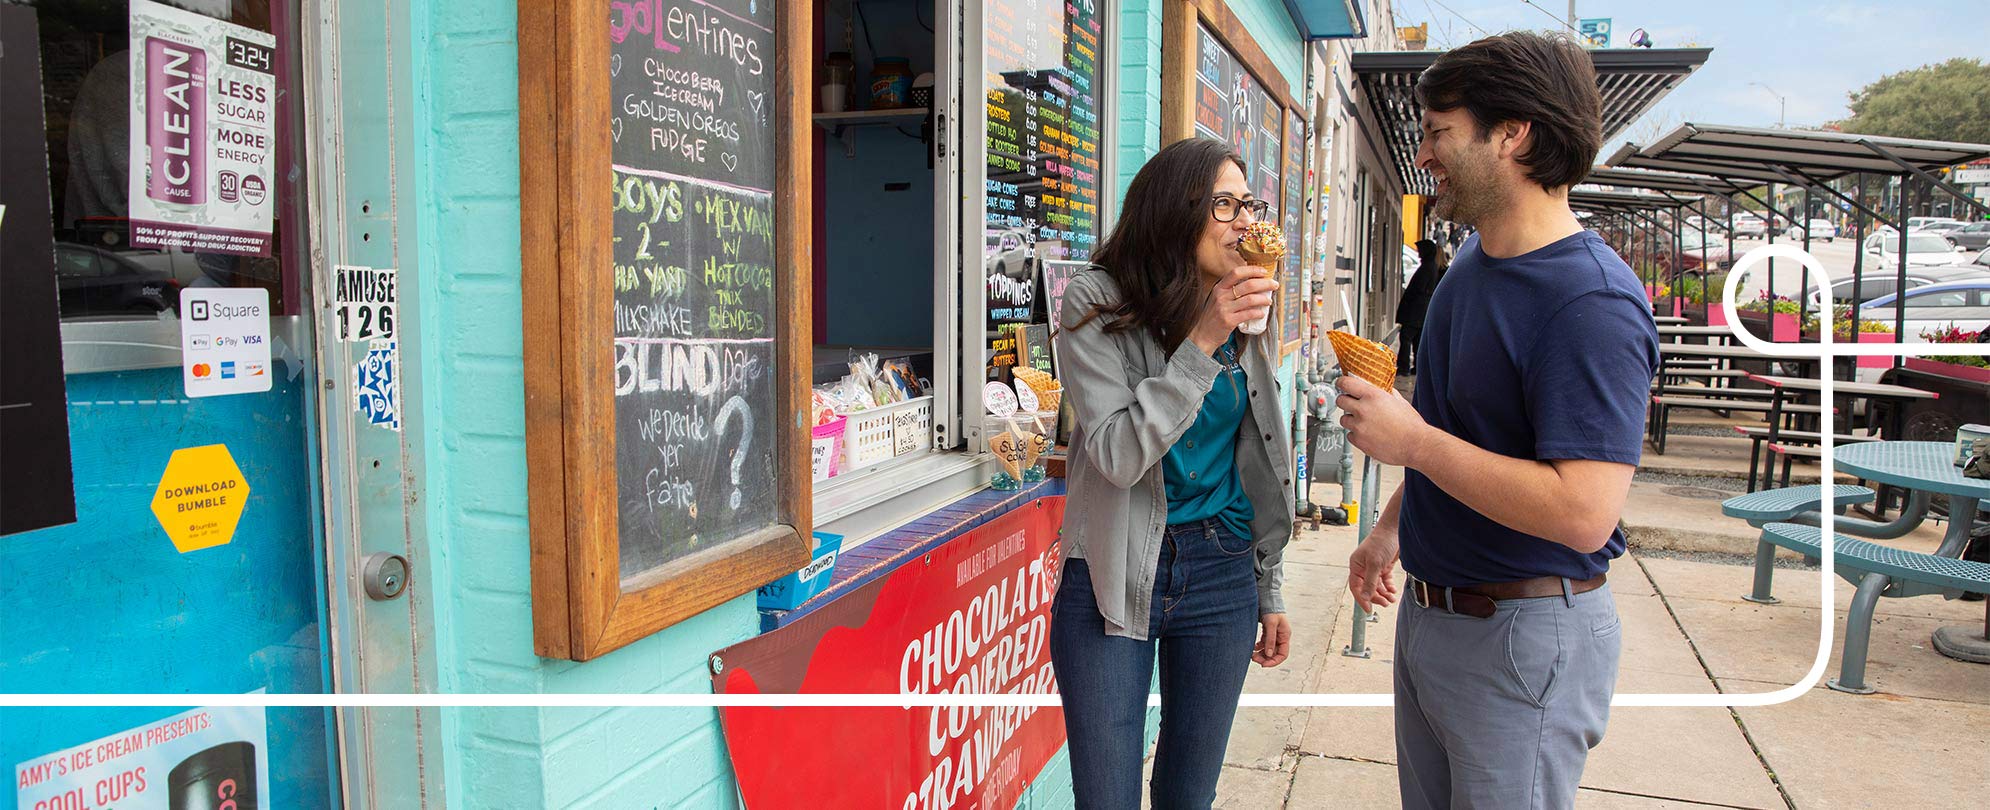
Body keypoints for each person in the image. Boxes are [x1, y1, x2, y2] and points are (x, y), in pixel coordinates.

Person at [1332, 32, 1660, 810]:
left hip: (1525, 636)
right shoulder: (1472, 267)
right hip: (1436, 618)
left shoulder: (1591, 303)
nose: (1425, 154)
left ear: (1513, 133)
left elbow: (1583, 511)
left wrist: (1411, 441)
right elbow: (1463, 435)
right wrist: (1390, 529)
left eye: (1439, 132)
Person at [1050, 137, 1297, 808]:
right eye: (1225, 203)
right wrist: (1204, 341)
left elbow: (1260, 454)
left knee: (1189, 796)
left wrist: (1268, 583)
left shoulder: (1244, 304)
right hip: (1111, 570)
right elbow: (1120, 455)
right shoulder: (1094, 303)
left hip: (1220, 567)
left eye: (1250, 203)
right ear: (1173, 209)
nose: (1246, 220)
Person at [1395, 238, 1446, 376]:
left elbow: (1417, 289)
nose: (1418, 254)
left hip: (1416, 310)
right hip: (1422, 311)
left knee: (1406, 337)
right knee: (1416, 340)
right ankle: (1417, 366)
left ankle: (1404, 366)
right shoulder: (1431, 267)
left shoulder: (1427, 268)